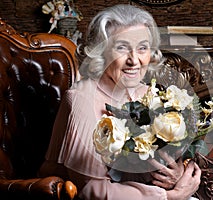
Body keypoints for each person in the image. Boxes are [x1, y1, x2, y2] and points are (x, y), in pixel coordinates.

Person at [39, 4, 201, 200]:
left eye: (142, 48)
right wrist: (169, 196)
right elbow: (90, 190)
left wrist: (176, 175)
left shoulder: (152, 95)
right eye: (122, 48)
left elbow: (163, 161)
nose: (134, 60)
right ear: (102, 53)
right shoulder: (82, 98)